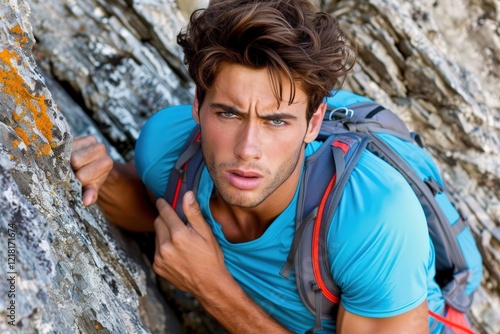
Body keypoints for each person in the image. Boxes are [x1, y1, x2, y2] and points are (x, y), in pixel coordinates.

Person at [70, 0, 446, 332]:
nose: (248, 149)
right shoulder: (168, 150)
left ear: (313, 123)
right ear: (198, 105)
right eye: (229, 114)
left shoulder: (373, 218)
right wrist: (101, 179)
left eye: (276, 121)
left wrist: (212, 287)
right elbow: (152, 206)